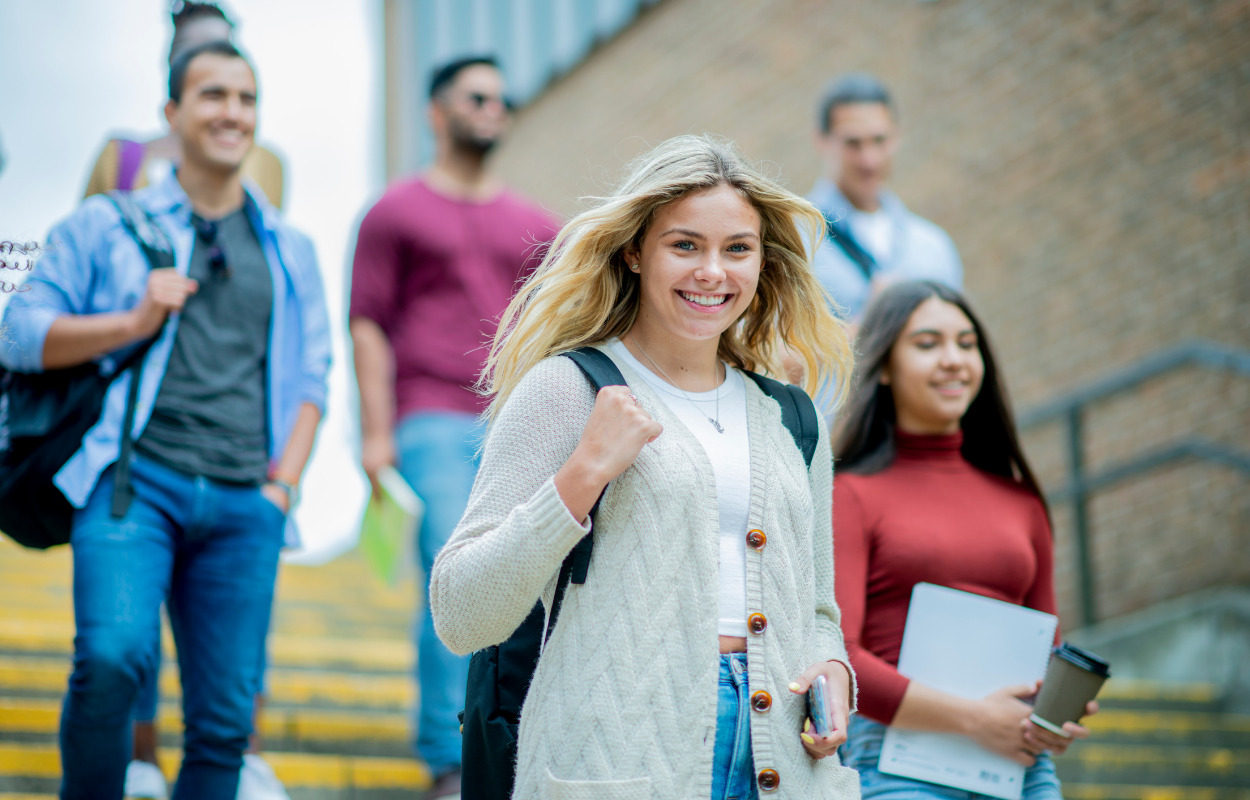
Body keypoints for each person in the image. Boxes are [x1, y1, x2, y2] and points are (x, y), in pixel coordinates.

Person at [429, 134, 863, 799]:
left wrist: (831, 666)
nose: (713, 272)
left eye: (736, 249)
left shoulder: (791, 417)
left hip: (785, 758)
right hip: (616, 760)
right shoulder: (566, 389)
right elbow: (461, 613)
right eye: (685, 245)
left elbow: (816, 607)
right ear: (635, 252)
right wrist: (582, 475)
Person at [0, 40, 330, 800]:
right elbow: (17, 333)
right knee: (113, 657)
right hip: (131, 486)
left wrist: (282, 486)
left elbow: (313, 375)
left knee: (221, 724)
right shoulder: (104, 224)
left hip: (247, 499)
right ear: (171, 114)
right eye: (213, 95)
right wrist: (130, 319)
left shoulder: (291, 247)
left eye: (247, 100)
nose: (233, 113)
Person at [349, 54, 558, 797]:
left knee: (527, 576)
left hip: (517, 418)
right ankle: (446, 755)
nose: (492, 109)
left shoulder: (539, 224)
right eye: (476, 97)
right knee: (455, 568)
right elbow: (367, 325)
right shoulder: (394, 212)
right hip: (429, 417)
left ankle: (510, 739)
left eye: (501, 99)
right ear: (437, 112)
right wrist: (376, 435)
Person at [832, 280, 1097, 798]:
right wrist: (975, 719)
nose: (953, 359)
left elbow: (1049, 643)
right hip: (895, 758)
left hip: (1018, 764)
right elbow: (842, 656)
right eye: (928, 344)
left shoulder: (1022, 500)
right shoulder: (850, 494)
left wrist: (1058, 708)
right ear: (884, 367)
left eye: (967, 343)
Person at [83, 1, 285, 209]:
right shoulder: (122, 157)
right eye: (191, 51)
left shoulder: (264, 163)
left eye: (222, 49)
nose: (208, 61)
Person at [809, 74, 962, 322]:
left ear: (896, 138)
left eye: (879, 140)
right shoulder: (793, 242)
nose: (870, 160)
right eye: (853, 143)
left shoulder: (934, 247)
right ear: (821, 142)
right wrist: (872, 320)